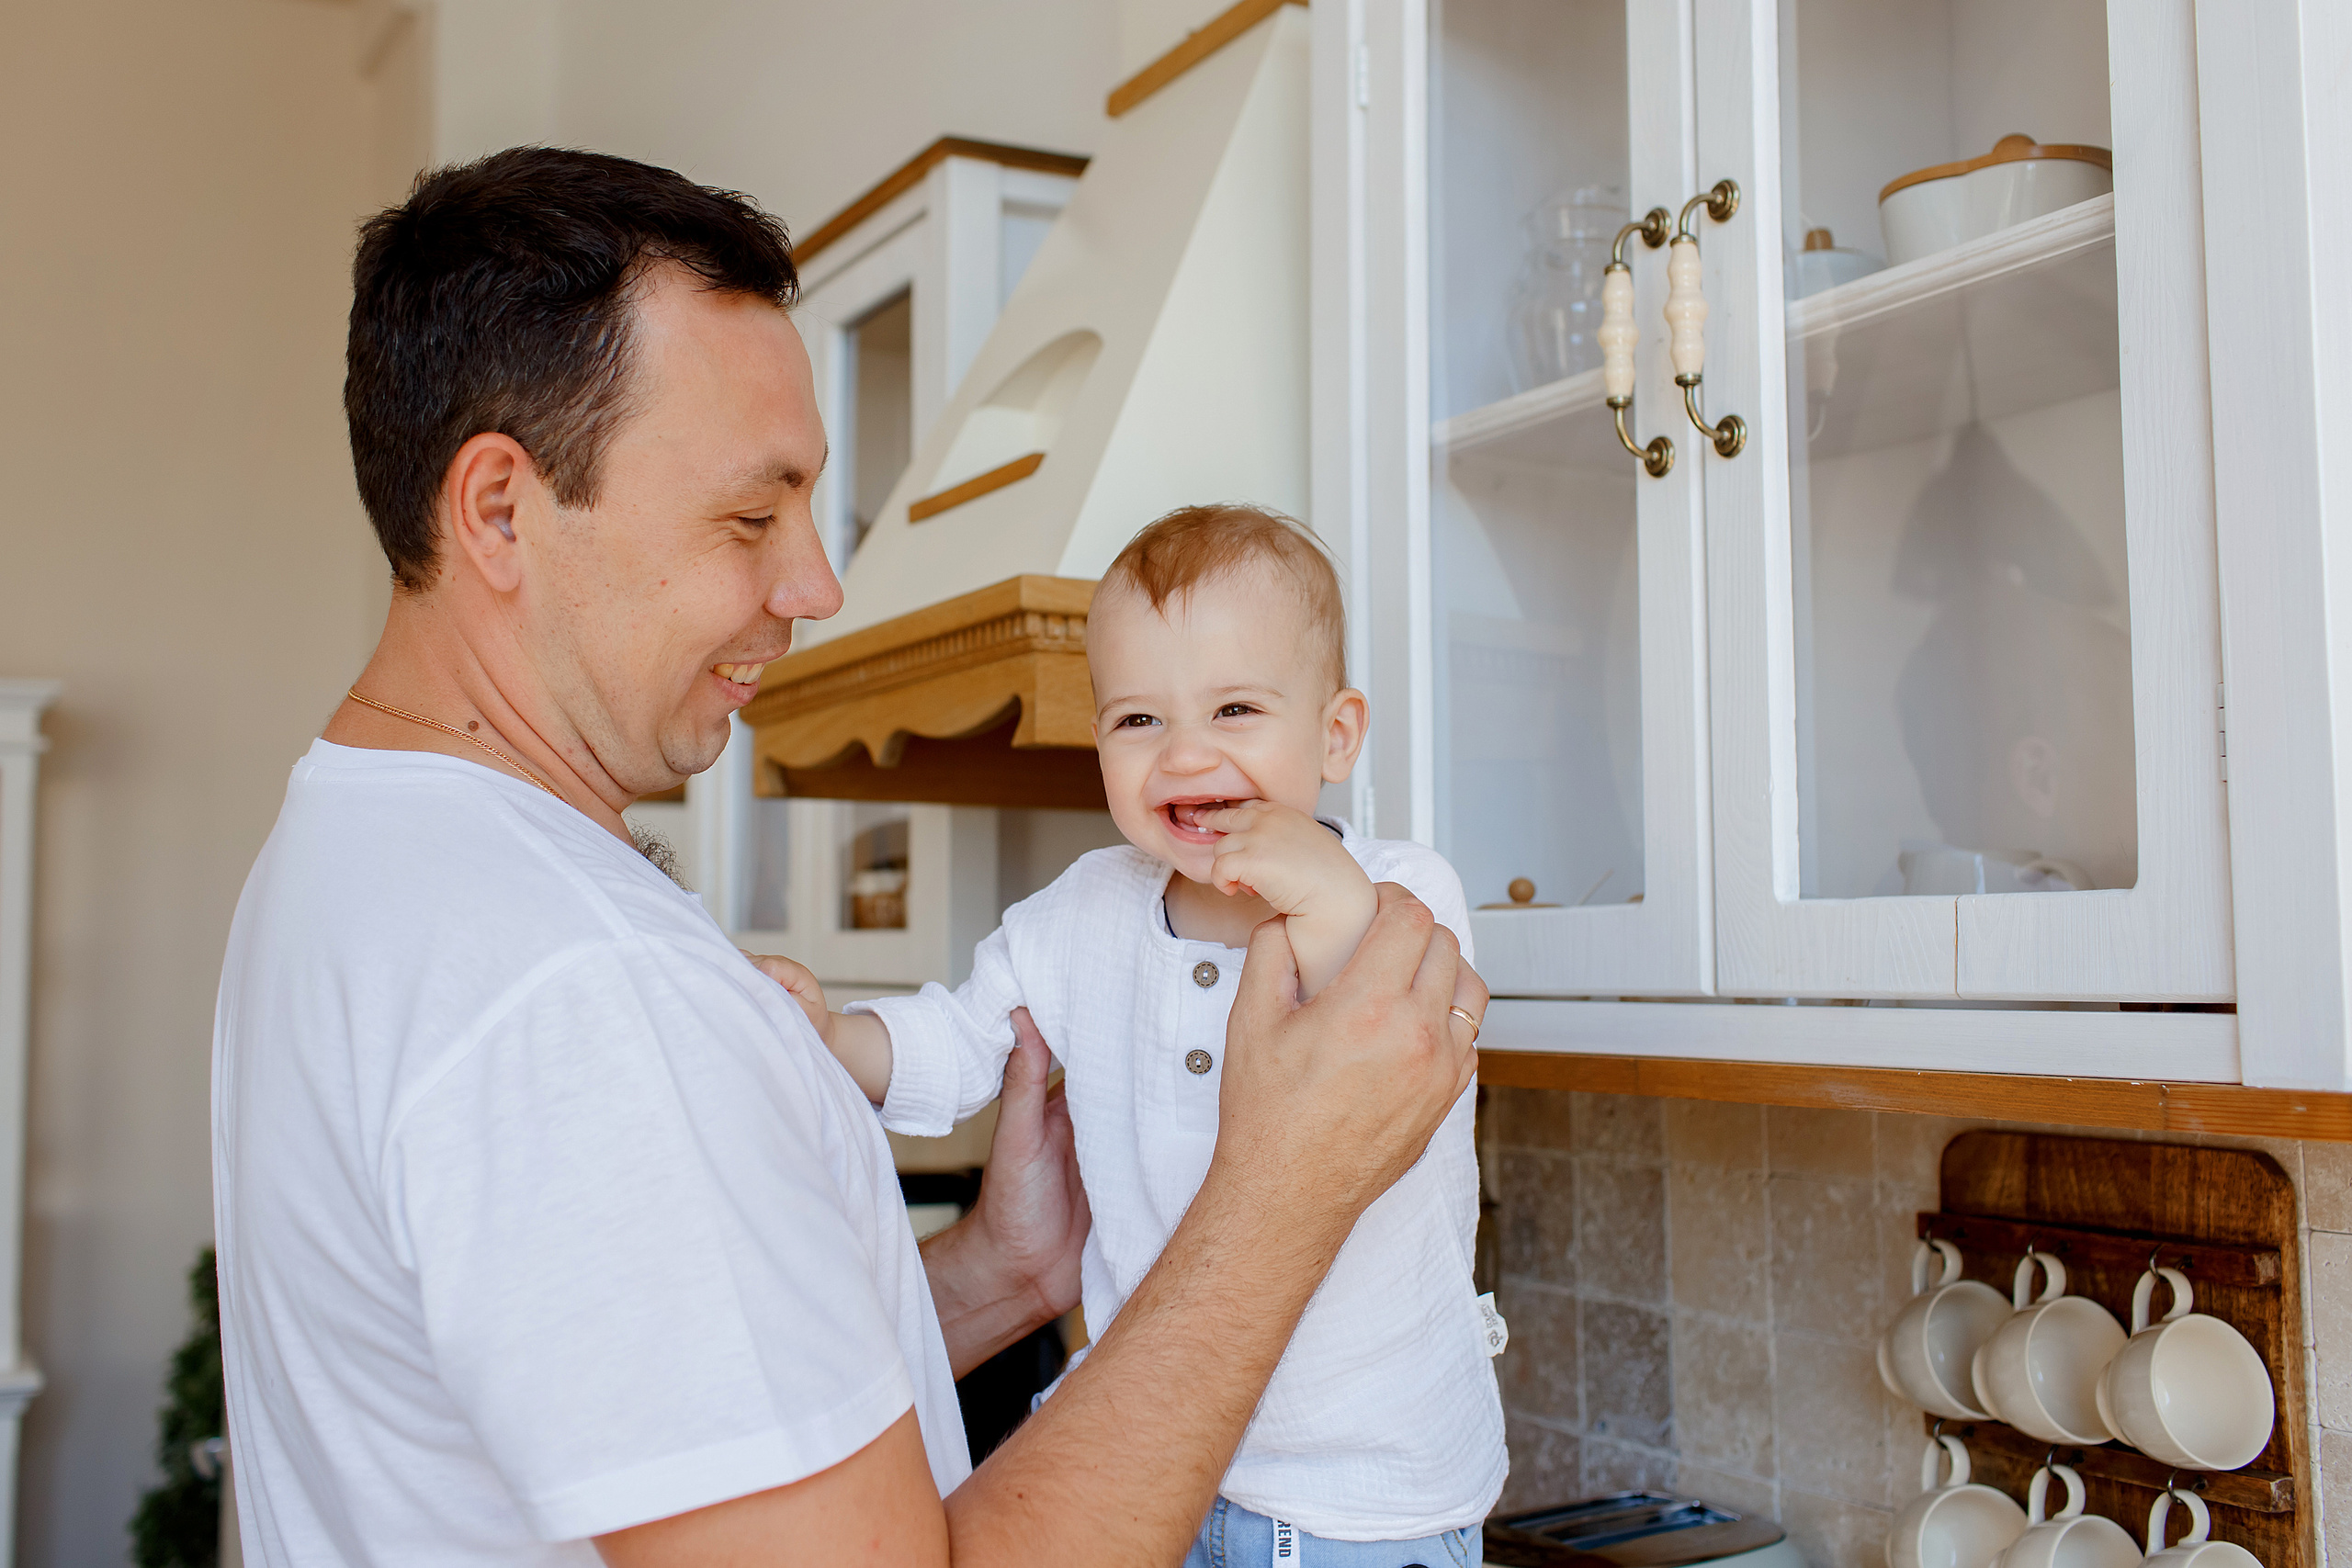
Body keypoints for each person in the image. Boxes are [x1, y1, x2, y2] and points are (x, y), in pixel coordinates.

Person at [210, 146, 1485, 1568]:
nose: (816, 584)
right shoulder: (574, 984)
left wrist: (1004, 1271)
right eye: (752, 515)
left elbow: (655, 1419)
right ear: (502, 509)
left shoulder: (357, 849)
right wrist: (1273, 1197)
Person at [763, 503, 1504, 1565]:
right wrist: (833, 1039)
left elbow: (1389, 1031)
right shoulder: (1080, 912)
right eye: (1138, 722)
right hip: (1146, 1464)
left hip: (1366, 1494)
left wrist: (1320, 890)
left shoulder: (1397, 889)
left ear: (1335, 734)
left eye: (1236, 708)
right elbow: (961, 1040)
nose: (1184, 754)